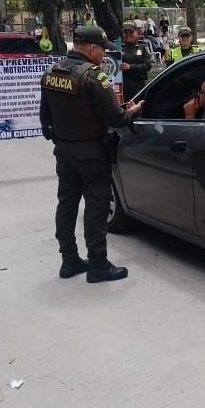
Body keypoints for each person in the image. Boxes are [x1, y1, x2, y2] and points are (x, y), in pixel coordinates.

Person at [39, 26, 144, 282]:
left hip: (64, 150)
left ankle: (69, 261)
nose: (103, 56)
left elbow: (45, 117)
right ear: (92, 48)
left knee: (67, 205)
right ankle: (98, 264)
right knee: (96, 207)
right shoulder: (94, 77)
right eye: (102, 51)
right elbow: (115, 118)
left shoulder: (51, 72)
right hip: (91, 152)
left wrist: (61, 139)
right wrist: (134, 110)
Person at [118, 20, 153, 100]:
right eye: (126, 32)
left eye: (131, 32)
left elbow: (148, 66)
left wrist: (130, 67)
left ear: (136, 32)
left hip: (138, 84)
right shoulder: (118, 47)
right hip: (122, 85)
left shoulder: (142, 47)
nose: (128, 35)